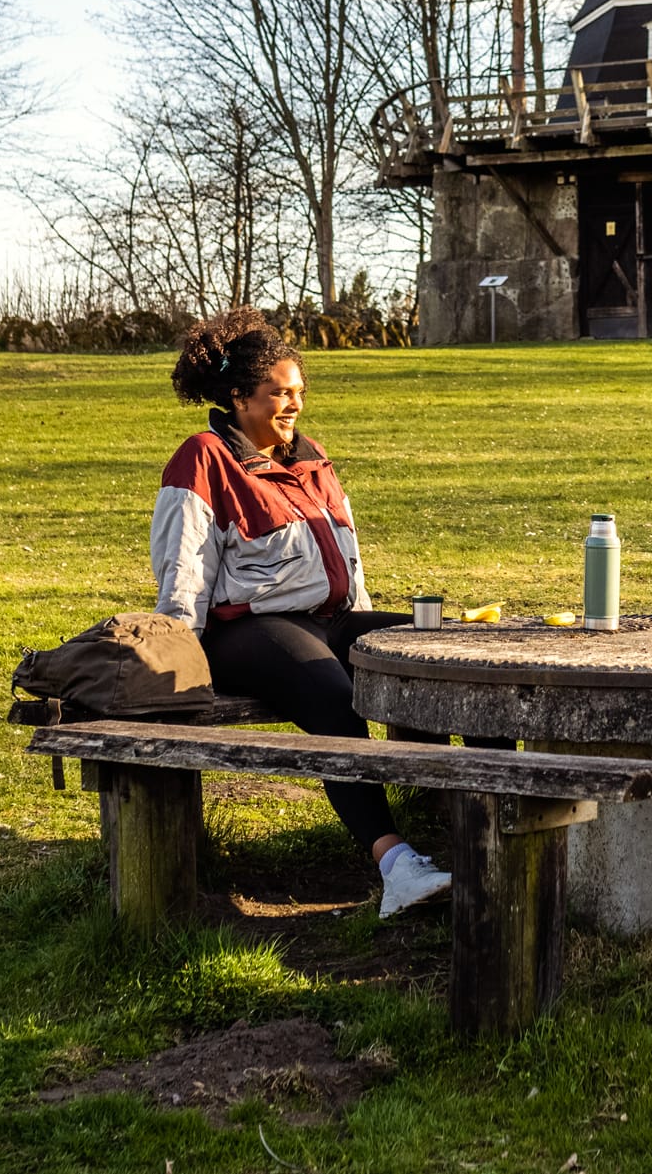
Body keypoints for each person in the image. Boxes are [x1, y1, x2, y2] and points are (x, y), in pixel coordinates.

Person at [150, 307, 451, 917]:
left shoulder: (311, 458)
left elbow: (348, 553)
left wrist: (372, 638)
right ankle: (396, 866)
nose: (294, 405)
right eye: (279, 393)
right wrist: (179, 655)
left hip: (331, 619)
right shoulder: (204, 458)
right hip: (248, 631)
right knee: (331, 693)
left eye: (299, 392)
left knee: (441, 647)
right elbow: (183, 565)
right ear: (239, 398)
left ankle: (480, 822)